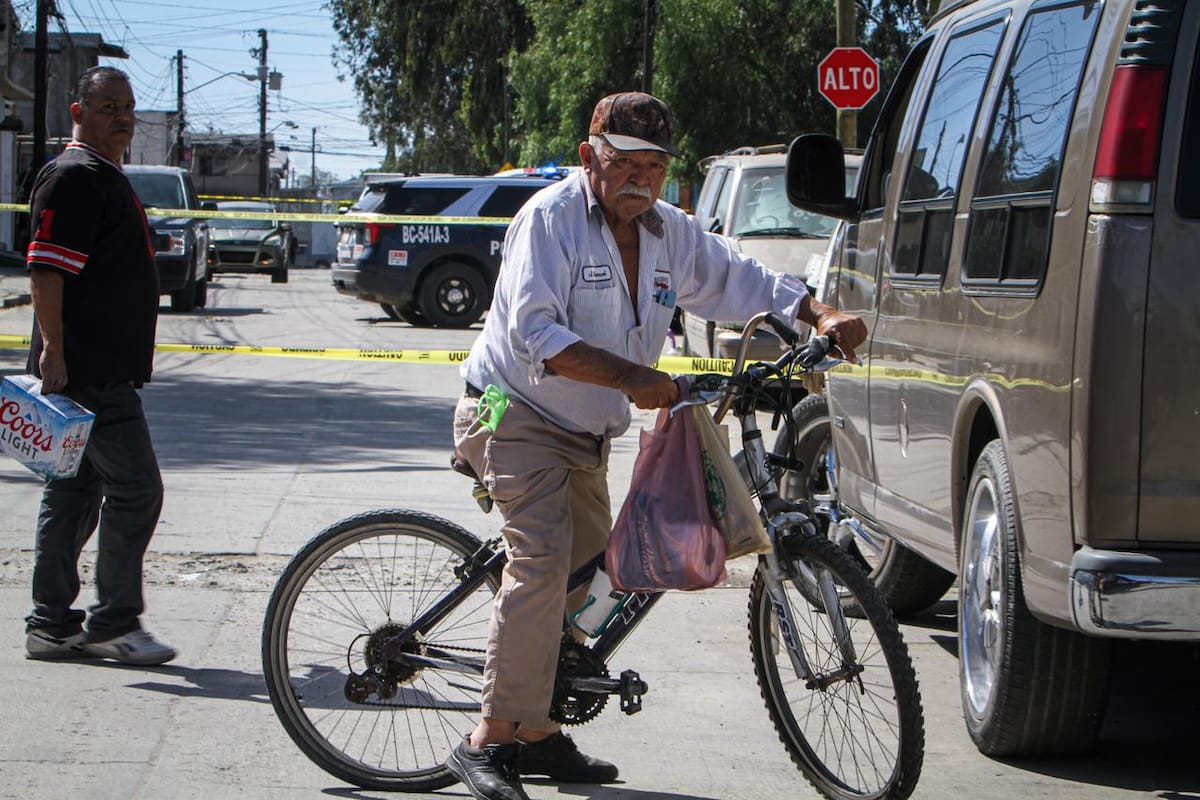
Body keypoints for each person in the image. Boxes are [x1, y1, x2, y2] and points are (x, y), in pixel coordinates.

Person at [446, 91, 867, 800]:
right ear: (590, 157)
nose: (641, 178)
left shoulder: (671, 232)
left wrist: (817, 313)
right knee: (544, 566)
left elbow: (742, 280)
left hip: (584, 430)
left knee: (596, 580)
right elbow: (535, 336)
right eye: (626, 163)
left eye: (655, 165)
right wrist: (635, 377)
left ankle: (539, 730)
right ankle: (488, 738)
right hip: (511, 414)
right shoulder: (548, 221)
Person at [22, 66, 176, 666]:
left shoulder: (101, 176)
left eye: (129, 106)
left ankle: (51, 625)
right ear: (77, 110)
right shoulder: (74, 176)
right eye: (109, 105)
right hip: (90, 375)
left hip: (91, 369)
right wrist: (54, 352)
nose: (123, 117)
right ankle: (114, 621)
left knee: (74, 493)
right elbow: (46, 271)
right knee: (137, 490)